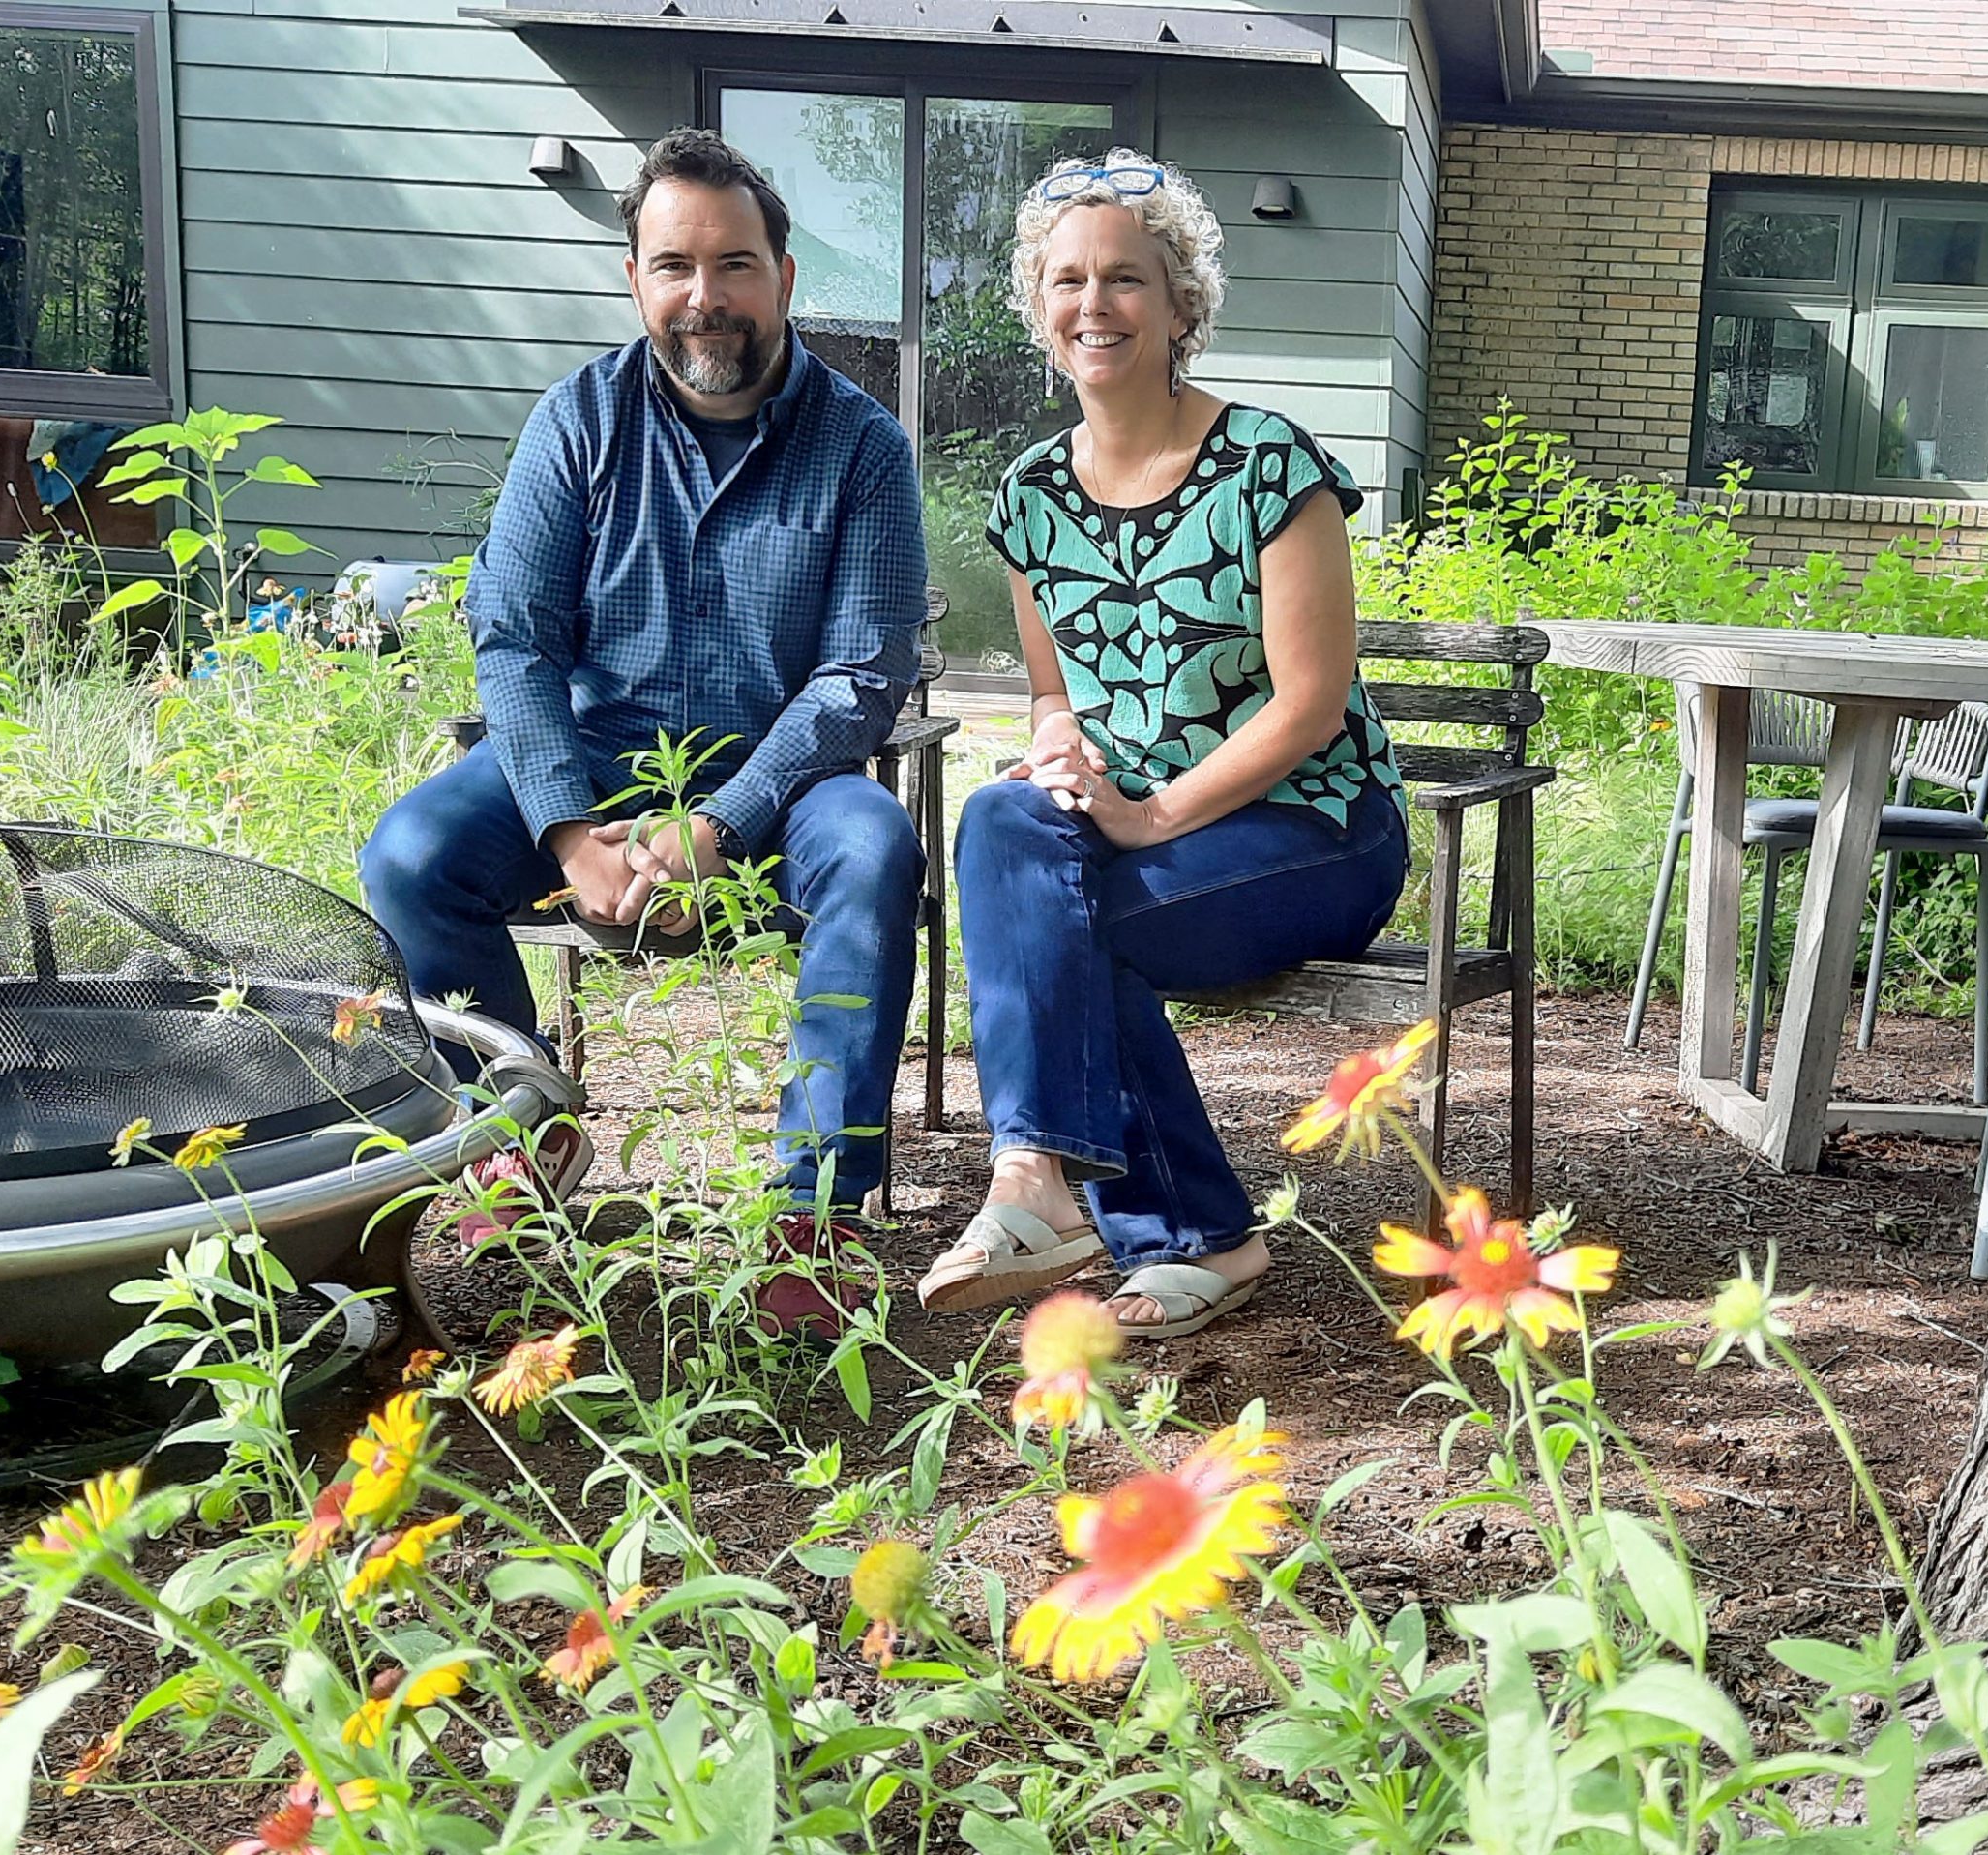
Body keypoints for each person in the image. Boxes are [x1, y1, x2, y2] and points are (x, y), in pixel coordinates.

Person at [362, 129, 929, 1333]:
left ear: (782, 275)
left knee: (877, 849)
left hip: (785, 777)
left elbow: (860, 674)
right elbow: (513, 643)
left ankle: (812, 1212)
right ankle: (523, 1120)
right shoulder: (575, 425)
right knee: (408, 854)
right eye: (673, 265)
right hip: (595, 765)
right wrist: (570, 833)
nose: (703, 298)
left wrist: (722, 820)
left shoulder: (863, 446)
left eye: (733, 264)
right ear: (634, 280)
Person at [921, 152, 1410, 1338]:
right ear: (1039, 312)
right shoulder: (1031, 493)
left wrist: (1144, 815)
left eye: (1128, 279)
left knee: (1075, 933)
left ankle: (1157, 1221)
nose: (1097, 305)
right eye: (1069, 281)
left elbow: (1309, 706)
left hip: (1314, 830)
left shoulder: (1267, 466)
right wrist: (1060, 760)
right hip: (1146, 838)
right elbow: (1053, 692)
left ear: (1181, 303)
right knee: (998, 816)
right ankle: (1056, 1184)